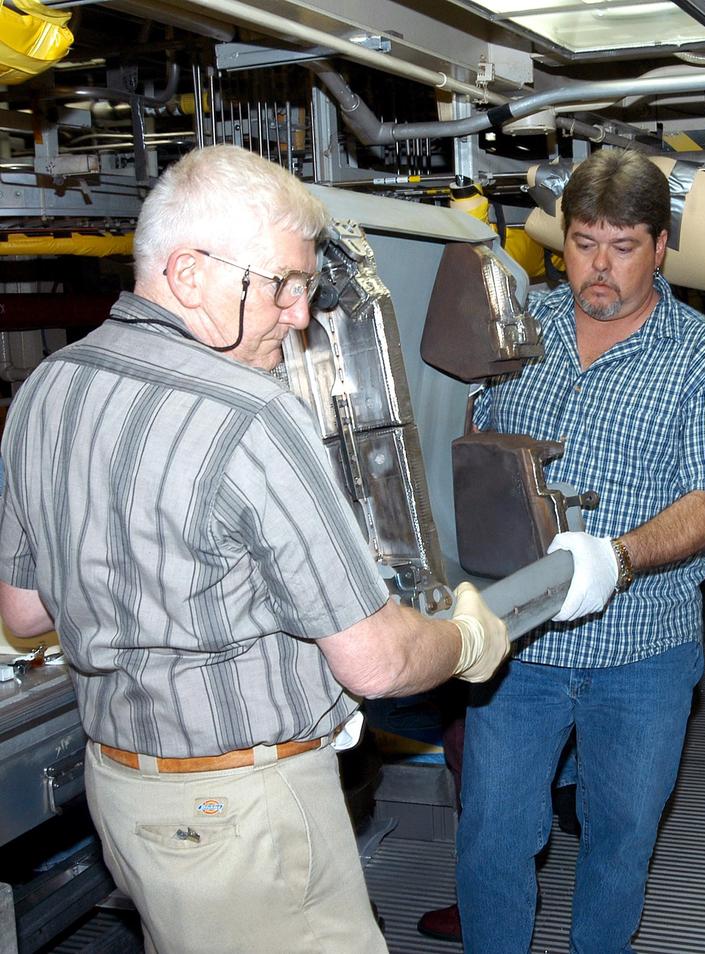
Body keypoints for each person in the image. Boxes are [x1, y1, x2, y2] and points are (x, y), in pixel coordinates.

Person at [0, 144, 509, 954]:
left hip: (125, 795)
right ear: (191, 273)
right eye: (284, 285)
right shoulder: (252, 414)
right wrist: (470, 638)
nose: (302, 315)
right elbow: (375, 664)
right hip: (242, 813)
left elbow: (25, 613)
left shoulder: (47, 389)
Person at [455, 148, 705, 953]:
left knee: (619, 840)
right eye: (586, 242)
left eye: (623, 247)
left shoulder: (704, 357)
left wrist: (617, 558)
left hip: (643, 654)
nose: (600, 266)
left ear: (661, 247)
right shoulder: (519, 332)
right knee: (491, 838)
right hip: (517, 648)